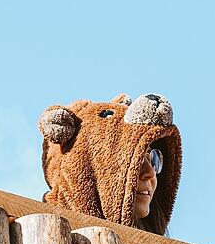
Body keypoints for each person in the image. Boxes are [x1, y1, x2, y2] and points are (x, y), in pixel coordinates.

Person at [40, 93, 181, 235]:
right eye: (133, 159)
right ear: (90, 168)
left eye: (153, 158)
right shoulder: (45, 235)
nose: (150, 173)